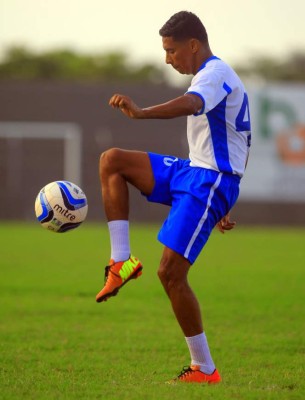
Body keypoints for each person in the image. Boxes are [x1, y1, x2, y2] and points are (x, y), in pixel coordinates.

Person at [95, 10, 251, 384]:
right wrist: (221, 203)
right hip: (196, 174)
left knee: (170, 274)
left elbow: (191, 104)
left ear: (193, 45)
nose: (167, 58)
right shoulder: (214, 76)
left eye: (171, 50)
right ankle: (121, 262)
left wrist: (142, 112)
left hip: (209, 181)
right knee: (112, 161)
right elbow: (238, 140)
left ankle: (205, 369)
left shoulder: (213, 75)